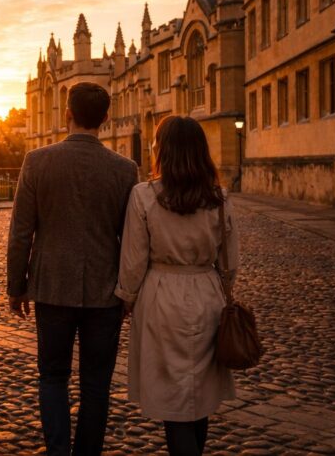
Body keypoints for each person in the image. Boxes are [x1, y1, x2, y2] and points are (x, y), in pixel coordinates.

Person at [7, 82, 139, 456]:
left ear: (67, 115)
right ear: (106, 118)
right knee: (96, 385)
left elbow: (21, 232)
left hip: (51, 287)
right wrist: (129, 291)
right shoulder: (125, 169)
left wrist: (16, 286)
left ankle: (58, 451)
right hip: (105, 291)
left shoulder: (37, 160)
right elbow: (131, 240)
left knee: (52, 376)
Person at [115, 116, 238, 456]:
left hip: (161, 295)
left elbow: (133, 260)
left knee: (175, 398)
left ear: (162, 151)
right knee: (198, 394)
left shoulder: (144, 196)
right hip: (207, 292)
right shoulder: (219, 198)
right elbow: (230, 263)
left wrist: (127, 298)